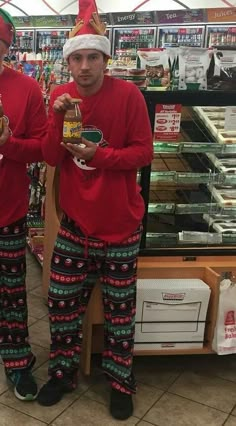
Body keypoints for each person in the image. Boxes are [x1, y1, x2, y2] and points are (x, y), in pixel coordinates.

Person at [37, 0, 153, 420]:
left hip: (121, 227)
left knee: (121, 313)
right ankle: (63, 372)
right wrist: (54, 119)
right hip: (74, 226)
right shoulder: (61, 94)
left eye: (91, 57)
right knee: (60, 303)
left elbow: (143, 153)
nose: (83, 66)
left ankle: (120, 383)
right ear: (68, 60)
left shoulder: (129, 96)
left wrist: (98, 155)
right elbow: (52, 157)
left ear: (104, 58)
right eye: (76, 58)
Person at [0, 9, 47, 401]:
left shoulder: (27, 90)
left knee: (13, 292)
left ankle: (17, 361)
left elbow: (43, 148)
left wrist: (8, 144)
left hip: (8, 211)